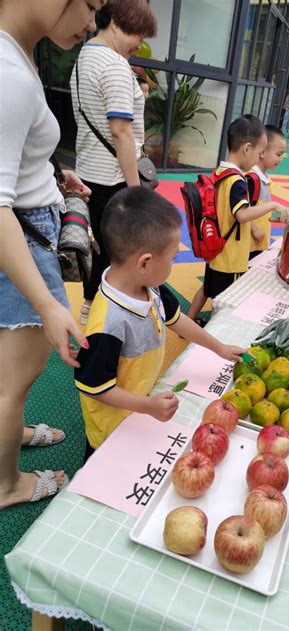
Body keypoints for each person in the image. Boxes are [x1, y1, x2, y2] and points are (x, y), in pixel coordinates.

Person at [0, 0, 101, 509]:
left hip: (25, 224)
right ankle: (6, 484)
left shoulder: (19, 52)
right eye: (91, 5)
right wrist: (46, 303)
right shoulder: (10, 75)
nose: (91, 23)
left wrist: (52, 174)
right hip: (20, 238)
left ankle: (10, 434)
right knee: (11, 385)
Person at [74, 187, 245, 458]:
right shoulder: (108, 324)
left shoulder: (150, 286)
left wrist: (219, 348)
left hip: (141, 403)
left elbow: (178, 321)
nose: (175, 264)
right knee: (105, 467)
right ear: (145, 263)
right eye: (174, 257)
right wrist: (146, 406)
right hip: (111, 426)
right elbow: (95, 387)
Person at [71, 0, 157, 325]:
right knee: (119, 252)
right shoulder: (115, 65)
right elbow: (121, 132)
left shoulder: (84, 58)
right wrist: (136, 191)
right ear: (117, 23)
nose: (139, 43)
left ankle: (89, 310)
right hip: (114, 177)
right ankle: (101, 322)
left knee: (101, 248)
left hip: (89, 172)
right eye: (137, 33)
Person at [187, 115, 289, 323]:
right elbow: (242, 215)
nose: (259, 158)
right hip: (231, 256)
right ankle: (211, 338)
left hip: (217, 249)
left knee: (209, 289)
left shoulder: (220, 171)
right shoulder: (238, 181)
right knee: (224, 301)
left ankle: (188, 322)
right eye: (259, 152)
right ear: (247, 149)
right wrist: (272, 205)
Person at [248, 125, 287, 260]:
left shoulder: (264, 177)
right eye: (278, 154)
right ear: (263, 152)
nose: (280, 159)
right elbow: (244, 208)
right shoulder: (252, 178)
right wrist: (253, 229)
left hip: (258, 241)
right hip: (250, 242)